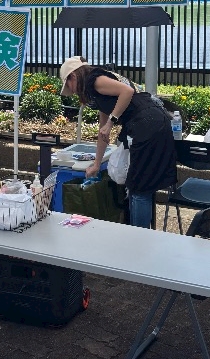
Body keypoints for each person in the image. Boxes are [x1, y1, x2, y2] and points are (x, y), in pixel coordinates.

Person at [59, 56, 176, 229]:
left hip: (147, 125)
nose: (72, 91)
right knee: (137, 185)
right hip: (149, 123)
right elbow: (102, 131)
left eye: (69, 85)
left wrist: (111, 122)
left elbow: (126, 91)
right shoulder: (97, 92)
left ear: (74, 76)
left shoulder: (95, 80)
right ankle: (139, 233)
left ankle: (139, 236)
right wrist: (96, 164)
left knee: (139, 188)